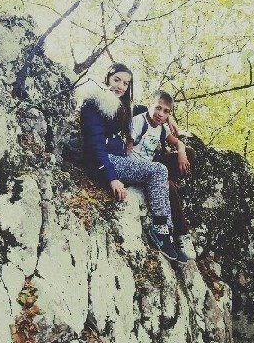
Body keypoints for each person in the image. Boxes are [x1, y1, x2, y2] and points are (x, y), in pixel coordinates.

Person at [79, 63, 186, 263]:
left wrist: (167, 119)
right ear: (107, 78)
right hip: (103, 162)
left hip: (118, 159)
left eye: (126, 83)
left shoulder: (120, 104)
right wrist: (112, 178)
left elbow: (142, 109)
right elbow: (95, 146)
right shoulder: (92, 104)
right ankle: (160, 230)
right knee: (158, 170)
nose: (120, 86)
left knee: (163, 176)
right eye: (116, 80)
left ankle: (168, 233)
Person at [131, 91, 195, 260]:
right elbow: (127, 149)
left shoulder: (162, 128)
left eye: (166, 111)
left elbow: (178, 142)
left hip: (154, 165)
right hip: (141, 169)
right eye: (158, 108)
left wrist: (181, 152)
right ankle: (181, 234)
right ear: (149, 105)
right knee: (169, 186)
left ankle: (166, 185)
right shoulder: (138, 118)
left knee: (189, 153)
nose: (161, 114)